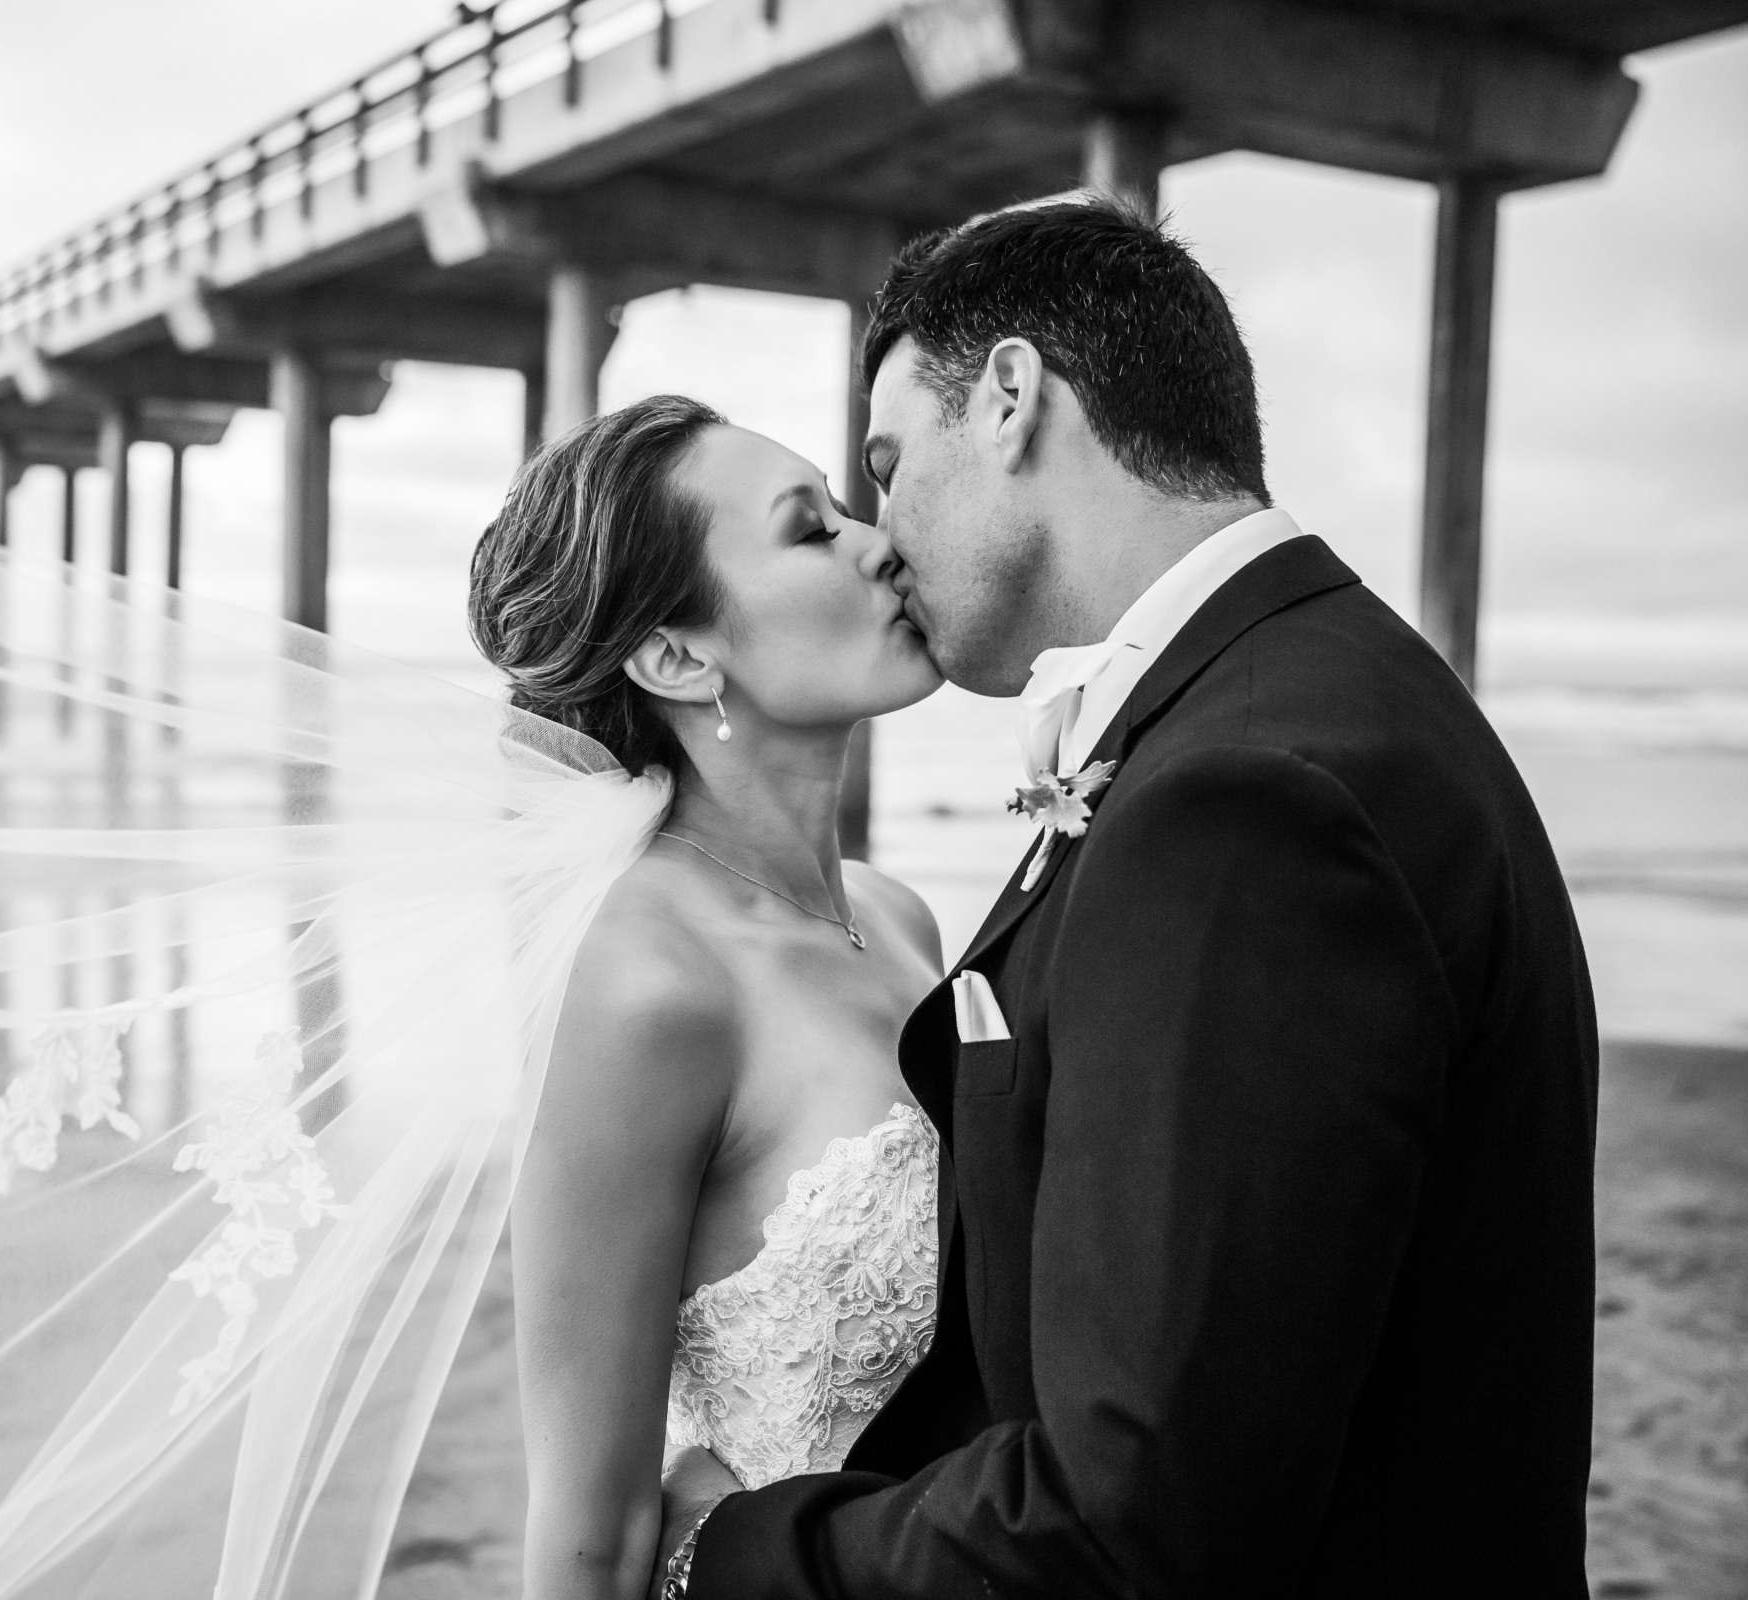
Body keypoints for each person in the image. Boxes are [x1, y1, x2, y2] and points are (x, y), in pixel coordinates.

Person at [655, 194, 1600, 1597]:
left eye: (889, 461)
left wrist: (716, 1557)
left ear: (1014, 400)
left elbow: (1127, 1520)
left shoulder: (1243, 803)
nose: (882, 532)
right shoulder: (1331, 691)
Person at [466, 393, 949, 1600]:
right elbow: (592, 1532)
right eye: (809, 529)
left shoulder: (898, 918)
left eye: (844, 509)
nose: (876, 541)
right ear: (679, 654)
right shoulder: (643, 983)